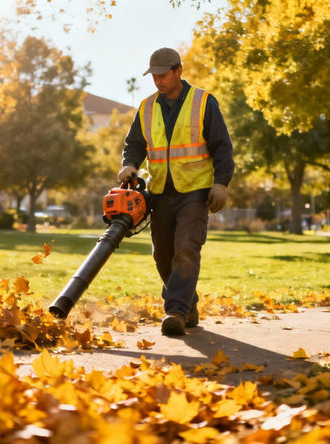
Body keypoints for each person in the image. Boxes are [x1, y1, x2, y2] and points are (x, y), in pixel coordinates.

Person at [119, 47, 234, 336]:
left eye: (163, 75)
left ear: (178, 70)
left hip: (195, 191)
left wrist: (220, 184)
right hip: (160, 191)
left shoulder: (204, 102)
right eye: (153, 76)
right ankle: (188, 305)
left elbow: (222, 148)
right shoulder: (146, 107)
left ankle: (175, 312)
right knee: (163, 255)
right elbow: (134, 145)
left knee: (186, 247)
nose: (157, 80)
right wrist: (130, 165)